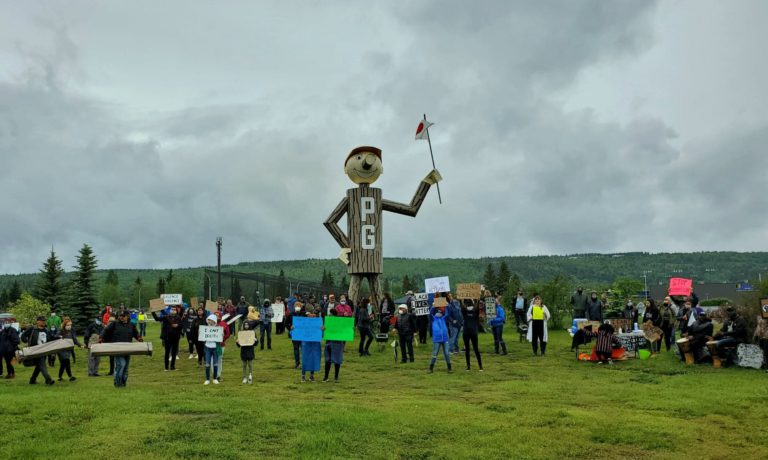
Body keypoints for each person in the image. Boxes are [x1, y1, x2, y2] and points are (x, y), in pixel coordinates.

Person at [101, 310, 142, 388]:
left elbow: (136, 334)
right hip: (117, 348)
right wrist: (101, 337)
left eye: (123, 316)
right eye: (120, 316)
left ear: (127, 316)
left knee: (126, 368)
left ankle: (123, 383)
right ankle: (117, 383)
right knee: (121, 365)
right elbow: (105, 330)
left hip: (128, 348)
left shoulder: (131, 325)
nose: (121, 317)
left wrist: (139, 338)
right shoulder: (114, 324)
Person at [21, 316, 56, 385]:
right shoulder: (32, 329)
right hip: (34, 350)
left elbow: (51, 338)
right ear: (37, 321)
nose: (43, 322)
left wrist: (59, 337)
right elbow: (23, 335)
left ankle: (32, 380)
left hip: (43, 350)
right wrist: (26, 341)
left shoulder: (46, 330)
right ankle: (48, 380)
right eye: (42, 321)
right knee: (42, 365)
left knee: (39, 366)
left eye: (44, 321)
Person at [153, 306, 183, 371]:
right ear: (170, 310)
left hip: (175, 337)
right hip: (167, 337)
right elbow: (156, 319)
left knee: (174, 352)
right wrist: (153, 312)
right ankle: (166, 367)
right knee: (167, 352)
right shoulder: (166, 317)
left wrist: (177, 325)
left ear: (176, 311)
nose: (173, 310)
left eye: (174, 309)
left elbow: (181, 325)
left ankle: (173, 367)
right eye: (172, 309)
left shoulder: (178, 318)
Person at [299, 306, 322, 382]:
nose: (312, 316)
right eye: (310, 314)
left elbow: (322, 334)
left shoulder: (318, 323)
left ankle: (312, 376)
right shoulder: (304, 323)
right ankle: (303, 375)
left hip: (315, 343)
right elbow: (297, 331)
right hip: (306, 343)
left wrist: (323, 330)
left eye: (313, 314)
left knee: (314, 358)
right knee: (305, 359)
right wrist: (293, 329)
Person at [428, 306, 452, 373]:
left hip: (445, 338)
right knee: (435, 353)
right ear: (435, 313)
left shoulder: (444, 318)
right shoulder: (433, 319)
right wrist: (433, 306)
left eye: (440, 313)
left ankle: (449, 368)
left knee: (447, 353)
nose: (439, 314)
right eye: (438, 313)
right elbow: (430, 313)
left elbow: (448, 313)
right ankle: (431, 368)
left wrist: (446, 306)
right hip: (437, 339)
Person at [461, 299, 483, 371]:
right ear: (472, 304)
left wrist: (460, 300)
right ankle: (480, 367)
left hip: (466, 332)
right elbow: (477, 306)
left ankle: (468, 366)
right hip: (473, 332)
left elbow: (462, 306)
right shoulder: (475, 312)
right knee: (476, 349)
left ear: (466, 304)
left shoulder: (464, 312)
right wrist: (477, 300)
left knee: (467, 350)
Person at [323, 308, 344, 382]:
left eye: (330, 314)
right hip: (329, 343)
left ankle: (335, 377)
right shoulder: (327, 322)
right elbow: (324, 333)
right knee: (328, 360)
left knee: (336, 360)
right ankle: (326, 377)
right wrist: (323, 329)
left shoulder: (339, 322)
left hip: (337, 343)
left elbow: (343, 331)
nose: (329, 315)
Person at [202, 314, 222, 385]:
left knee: (215, 364)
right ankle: (207, 379)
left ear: (215, 321)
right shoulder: (205, 328)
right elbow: (202, 336)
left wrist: (221, 335)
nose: (210, 322)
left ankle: (215, 378)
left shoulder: (218, 329)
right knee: (207, 364)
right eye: (209, 320)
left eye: (212, 321)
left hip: (215, 348)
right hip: (208, 348)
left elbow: (220, 339)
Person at [236, 319, 257, 384]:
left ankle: (250, 375)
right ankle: (244, 377)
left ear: (249, 325)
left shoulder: (252, 332)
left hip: (250, 350)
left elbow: (255, 344)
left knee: (250, 364)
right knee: (244, 364)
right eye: (245, 325)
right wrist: (237, 342)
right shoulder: (241, 333)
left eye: (247, 324)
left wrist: (256, 340)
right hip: (243, 351)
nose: (246, 326)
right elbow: (239, 345)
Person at [214, 311, 231, 381]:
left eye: (218, 315)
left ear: (220, 316)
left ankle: (218, 375)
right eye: (215, 315)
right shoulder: (210, 324)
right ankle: (214, 375)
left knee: (219, 360)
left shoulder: (224, 324)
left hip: (221, 345)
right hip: (212, 345)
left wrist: (223, 338)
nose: (216, 316)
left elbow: (228, 334)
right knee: (213, 360)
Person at [289, 301, 304, 369]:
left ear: (301, 307)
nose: (298, 307)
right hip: (295, 334)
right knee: (296, 349)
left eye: (299, 305)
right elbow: (286, 323)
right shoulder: (291, 314)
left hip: (302, 334)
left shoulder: (304, 314)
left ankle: (304, 362)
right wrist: (290, 327)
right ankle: (297, 363)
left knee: (303, 348)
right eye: (296, 305)